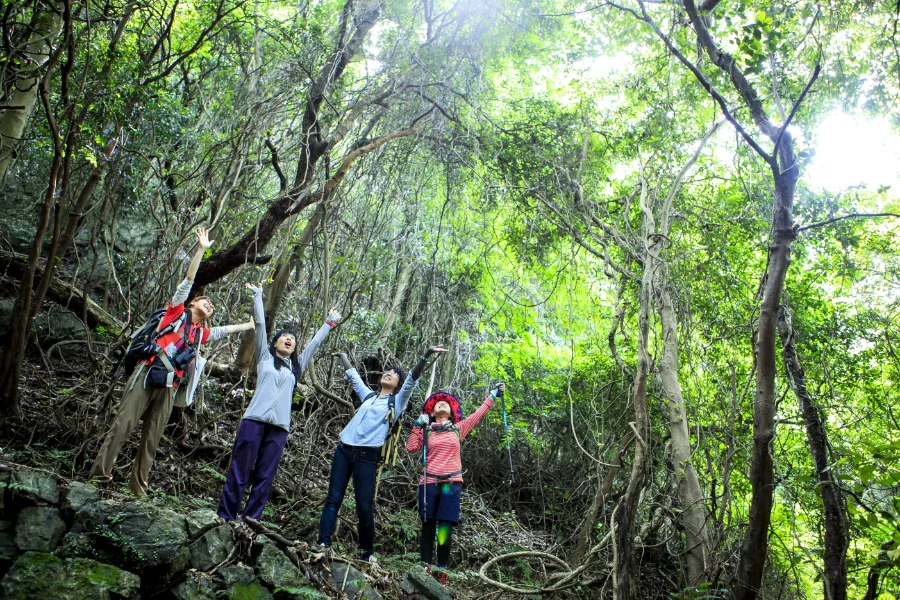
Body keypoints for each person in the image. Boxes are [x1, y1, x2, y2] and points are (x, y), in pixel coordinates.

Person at [89, 228, 255, 496]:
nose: (209, 303)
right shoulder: (175, 314)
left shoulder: (198, 334)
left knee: (152, 439)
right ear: (191, 304)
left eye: (212, 305)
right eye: (205, 300)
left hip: (169, 385)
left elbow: (225, 330)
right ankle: (99, 477)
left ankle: (137, 489)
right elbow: (189, 279)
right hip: (148, 372)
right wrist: (201, 249)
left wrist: (248, 324)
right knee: (123, 425)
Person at [217, 282, 341, 521]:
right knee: (240, 470)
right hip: (253, 422)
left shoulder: (296, 367)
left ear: (294, 347)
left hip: (279, 428)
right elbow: (261, 325)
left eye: (292, 339)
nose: (288, 339)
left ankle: (251, 521)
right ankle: (226, 516)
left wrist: (329, 322)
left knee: (265, 476)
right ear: (274, 342)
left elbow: (314, 344)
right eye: (284, 336)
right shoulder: (264, 357)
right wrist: (258, 296)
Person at [317, 345, 448, 562]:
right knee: (333, 499)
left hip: (367, 457)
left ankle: (367, 554)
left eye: (395, 375)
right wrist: (343, 356)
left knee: (364, 506)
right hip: (343, 450)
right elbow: (354, 377)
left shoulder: (396, 402)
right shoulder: (368, 397)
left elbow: (411, 381)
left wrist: (425, 355)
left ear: (398, 385)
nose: (390, 374)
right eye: (388, 371)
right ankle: (323, 543)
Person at [406, 383, 505, 584]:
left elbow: (479, 414)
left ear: (451, 412)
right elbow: (411, 448)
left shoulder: (459, 429)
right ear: (432, 413)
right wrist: (417, 425)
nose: (442, 404)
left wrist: (493, 395)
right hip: (429, 482)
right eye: (438, 404)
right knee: (427, 525)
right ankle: (424, 567)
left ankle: (441, 570)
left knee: (445, 527)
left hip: (451, 482)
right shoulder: (427, 430)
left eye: (446, 403)